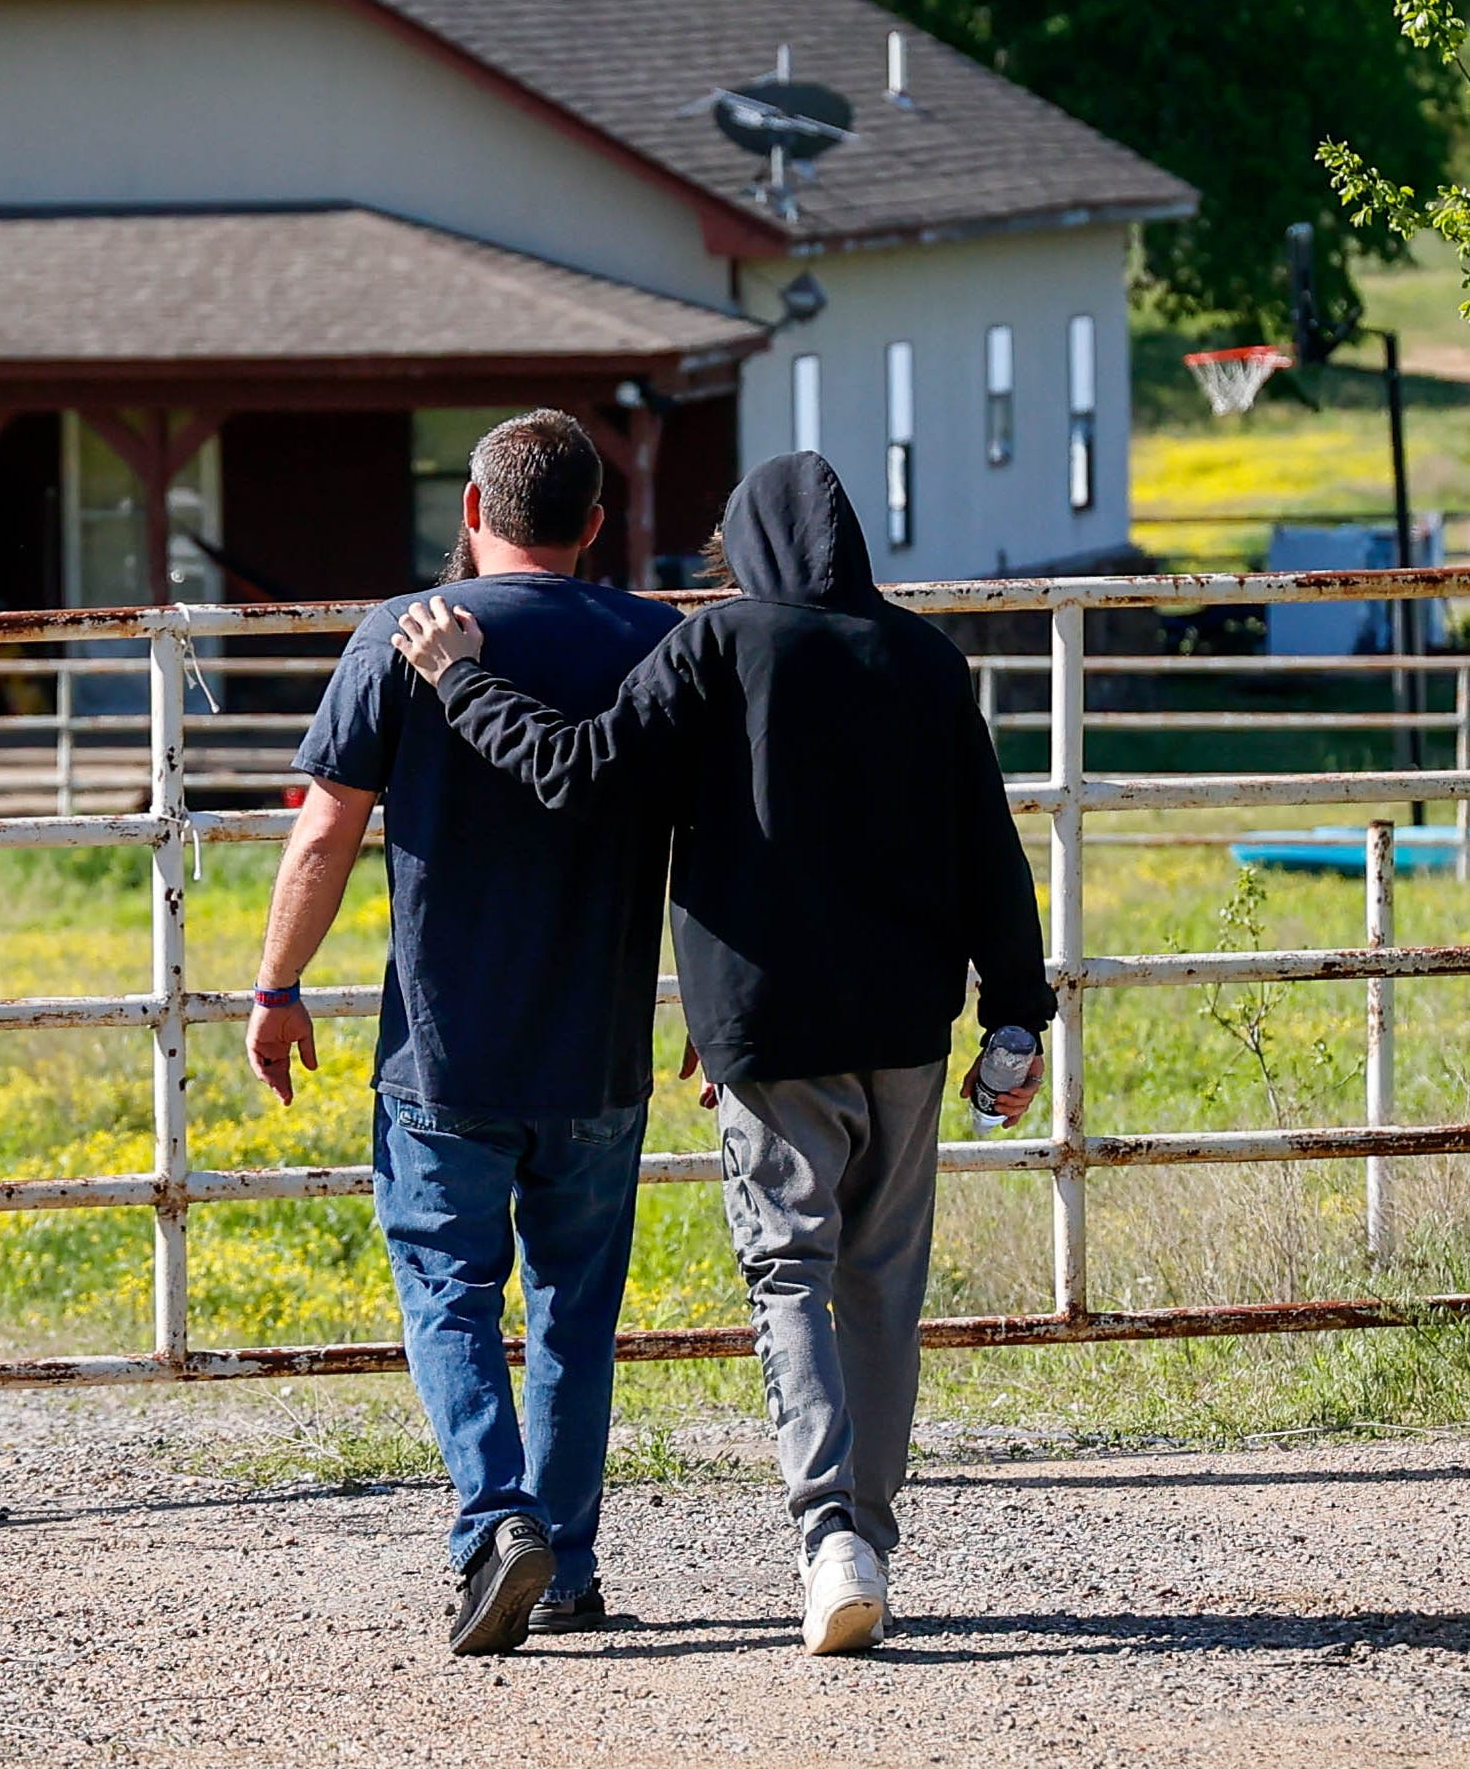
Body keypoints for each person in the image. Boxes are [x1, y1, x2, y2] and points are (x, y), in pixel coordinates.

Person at [390, 450, 1054, 1656]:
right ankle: (867, 1532)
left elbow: (578, 772)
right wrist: (1018, 1014)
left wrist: (461, 681)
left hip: (769, 1025)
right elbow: (991, 850)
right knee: (883, 1289)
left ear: (748, 545)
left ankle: (828, 1537)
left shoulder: (719, 646)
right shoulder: (925, 659)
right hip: (907, 1027)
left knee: (790, 1271)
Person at [244, 409, 682, 1657]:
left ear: (475, 515)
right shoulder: (661, 643)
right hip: (599, 1049)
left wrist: (276, 989)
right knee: (574, 1309)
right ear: (595, 525)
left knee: (447, 1289)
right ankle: (572, 1565)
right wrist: (713, 1002)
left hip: (443, 1046)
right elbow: (719, 846)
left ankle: (497, 1522)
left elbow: (325, 833)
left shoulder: (406, 634)